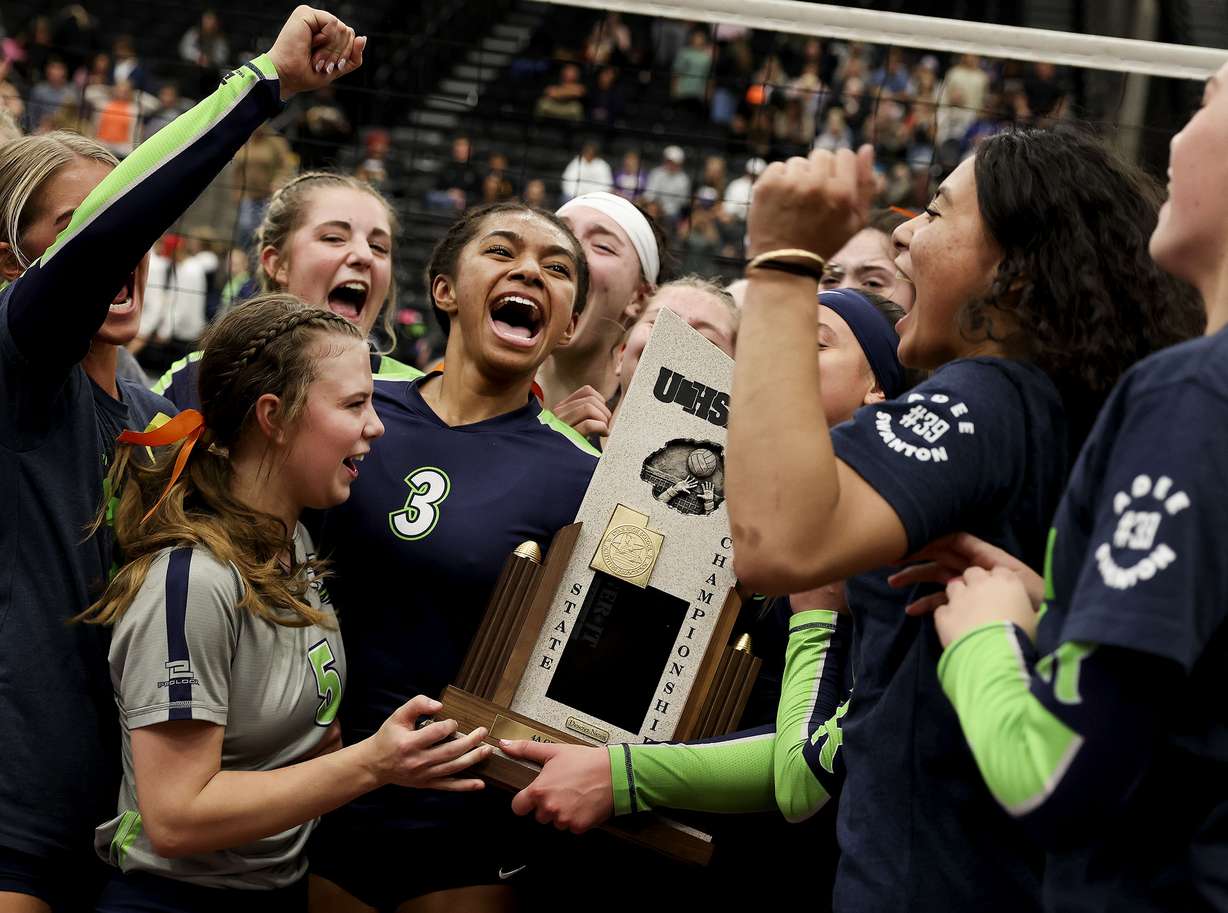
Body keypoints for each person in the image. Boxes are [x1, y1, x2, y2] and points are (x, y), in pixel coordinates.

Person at [501, 130, 1203, 912]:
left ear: (1013, 271)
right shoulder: (1078, 407)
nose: (907, 230)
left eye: (936, 212)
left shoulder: (989, 396)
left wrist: (782, 259)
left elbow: (773, 542)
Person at [0, 8, 366, 910]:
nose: (127, 252)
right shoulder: (16, 366)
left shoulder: (162, 417)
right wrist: (262, 86)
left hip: (125, 829)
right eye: (87, 227)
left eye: (133, 225)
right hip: (19, 827)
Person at [917, 59, 1228, 912]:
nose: (1176, 136)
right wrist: (1069, 611)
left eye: (1206, 102)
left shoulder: (1192, 394)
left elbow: (1056, 773)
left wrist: (983, 637)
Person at [84, 295, 489, 912]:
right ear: (273, 416)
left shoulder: (293, 543)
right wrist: (372, 765)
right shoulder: (193, 580)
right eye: (355, 404)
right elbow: (175, 818)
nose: (376, 425)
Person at [306, 201, 599, 913]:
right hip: (314, 799)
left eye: (557, 268)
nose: (530, 268)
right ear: (444, 290)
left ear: (566, 325)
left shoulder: (585, 478)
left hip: (461, 825)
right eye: (502, 251)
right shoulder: (353, 407)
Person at [153, 170, 417, 411]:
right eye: (334, 238)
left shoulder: (418, 396)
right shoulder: (195, 380)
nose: (364, 255)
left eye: (379, 247)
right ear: (277, 263)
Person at [536, 191, 667, 420]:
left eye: (602, 246)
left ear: (638, 297)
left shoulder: (649, 430)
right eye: (560, 233)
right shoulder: (466, 385)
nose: (569, 248)